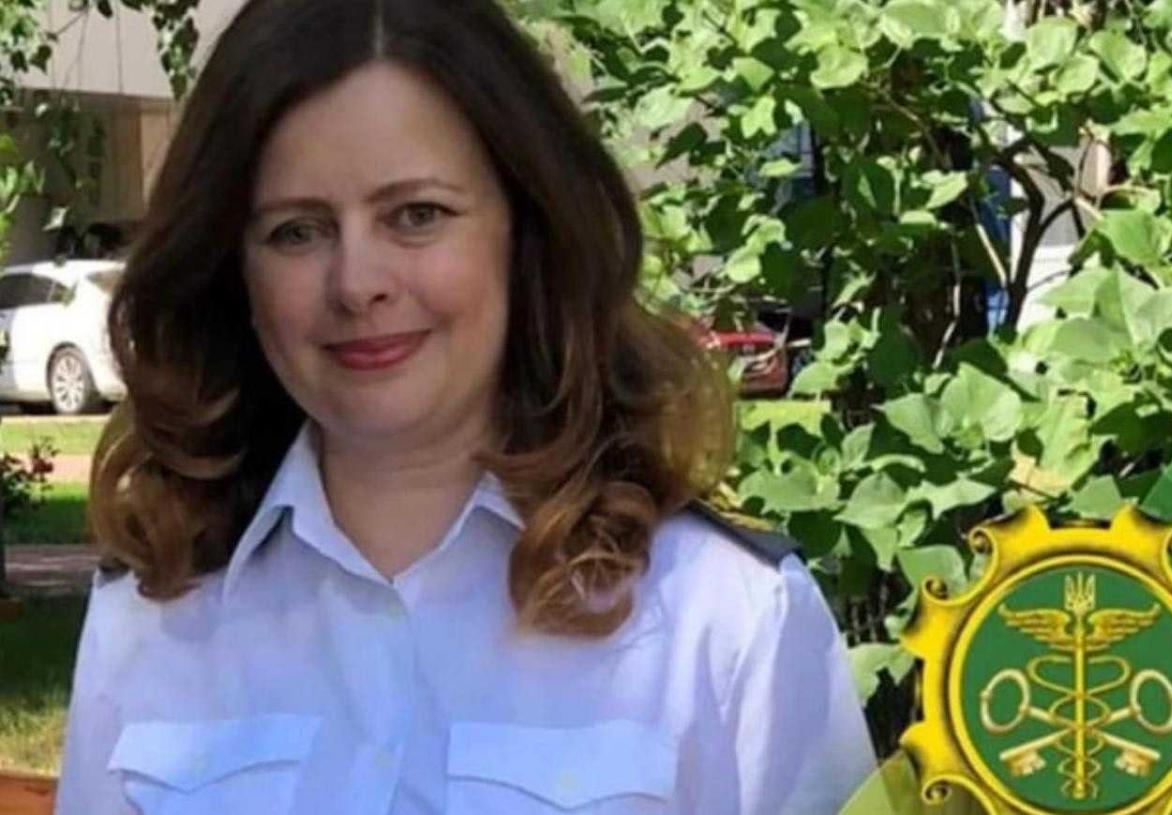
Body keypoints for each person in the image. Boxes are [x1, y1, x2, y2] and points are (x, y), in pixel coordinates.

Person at [54, 0, 876, 812]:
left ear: (528, 230)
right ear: (232, 267)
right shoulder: (152, 611)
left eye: (417, 215)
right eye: (297, 231)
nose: (357, 283)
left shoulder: (725, 621)